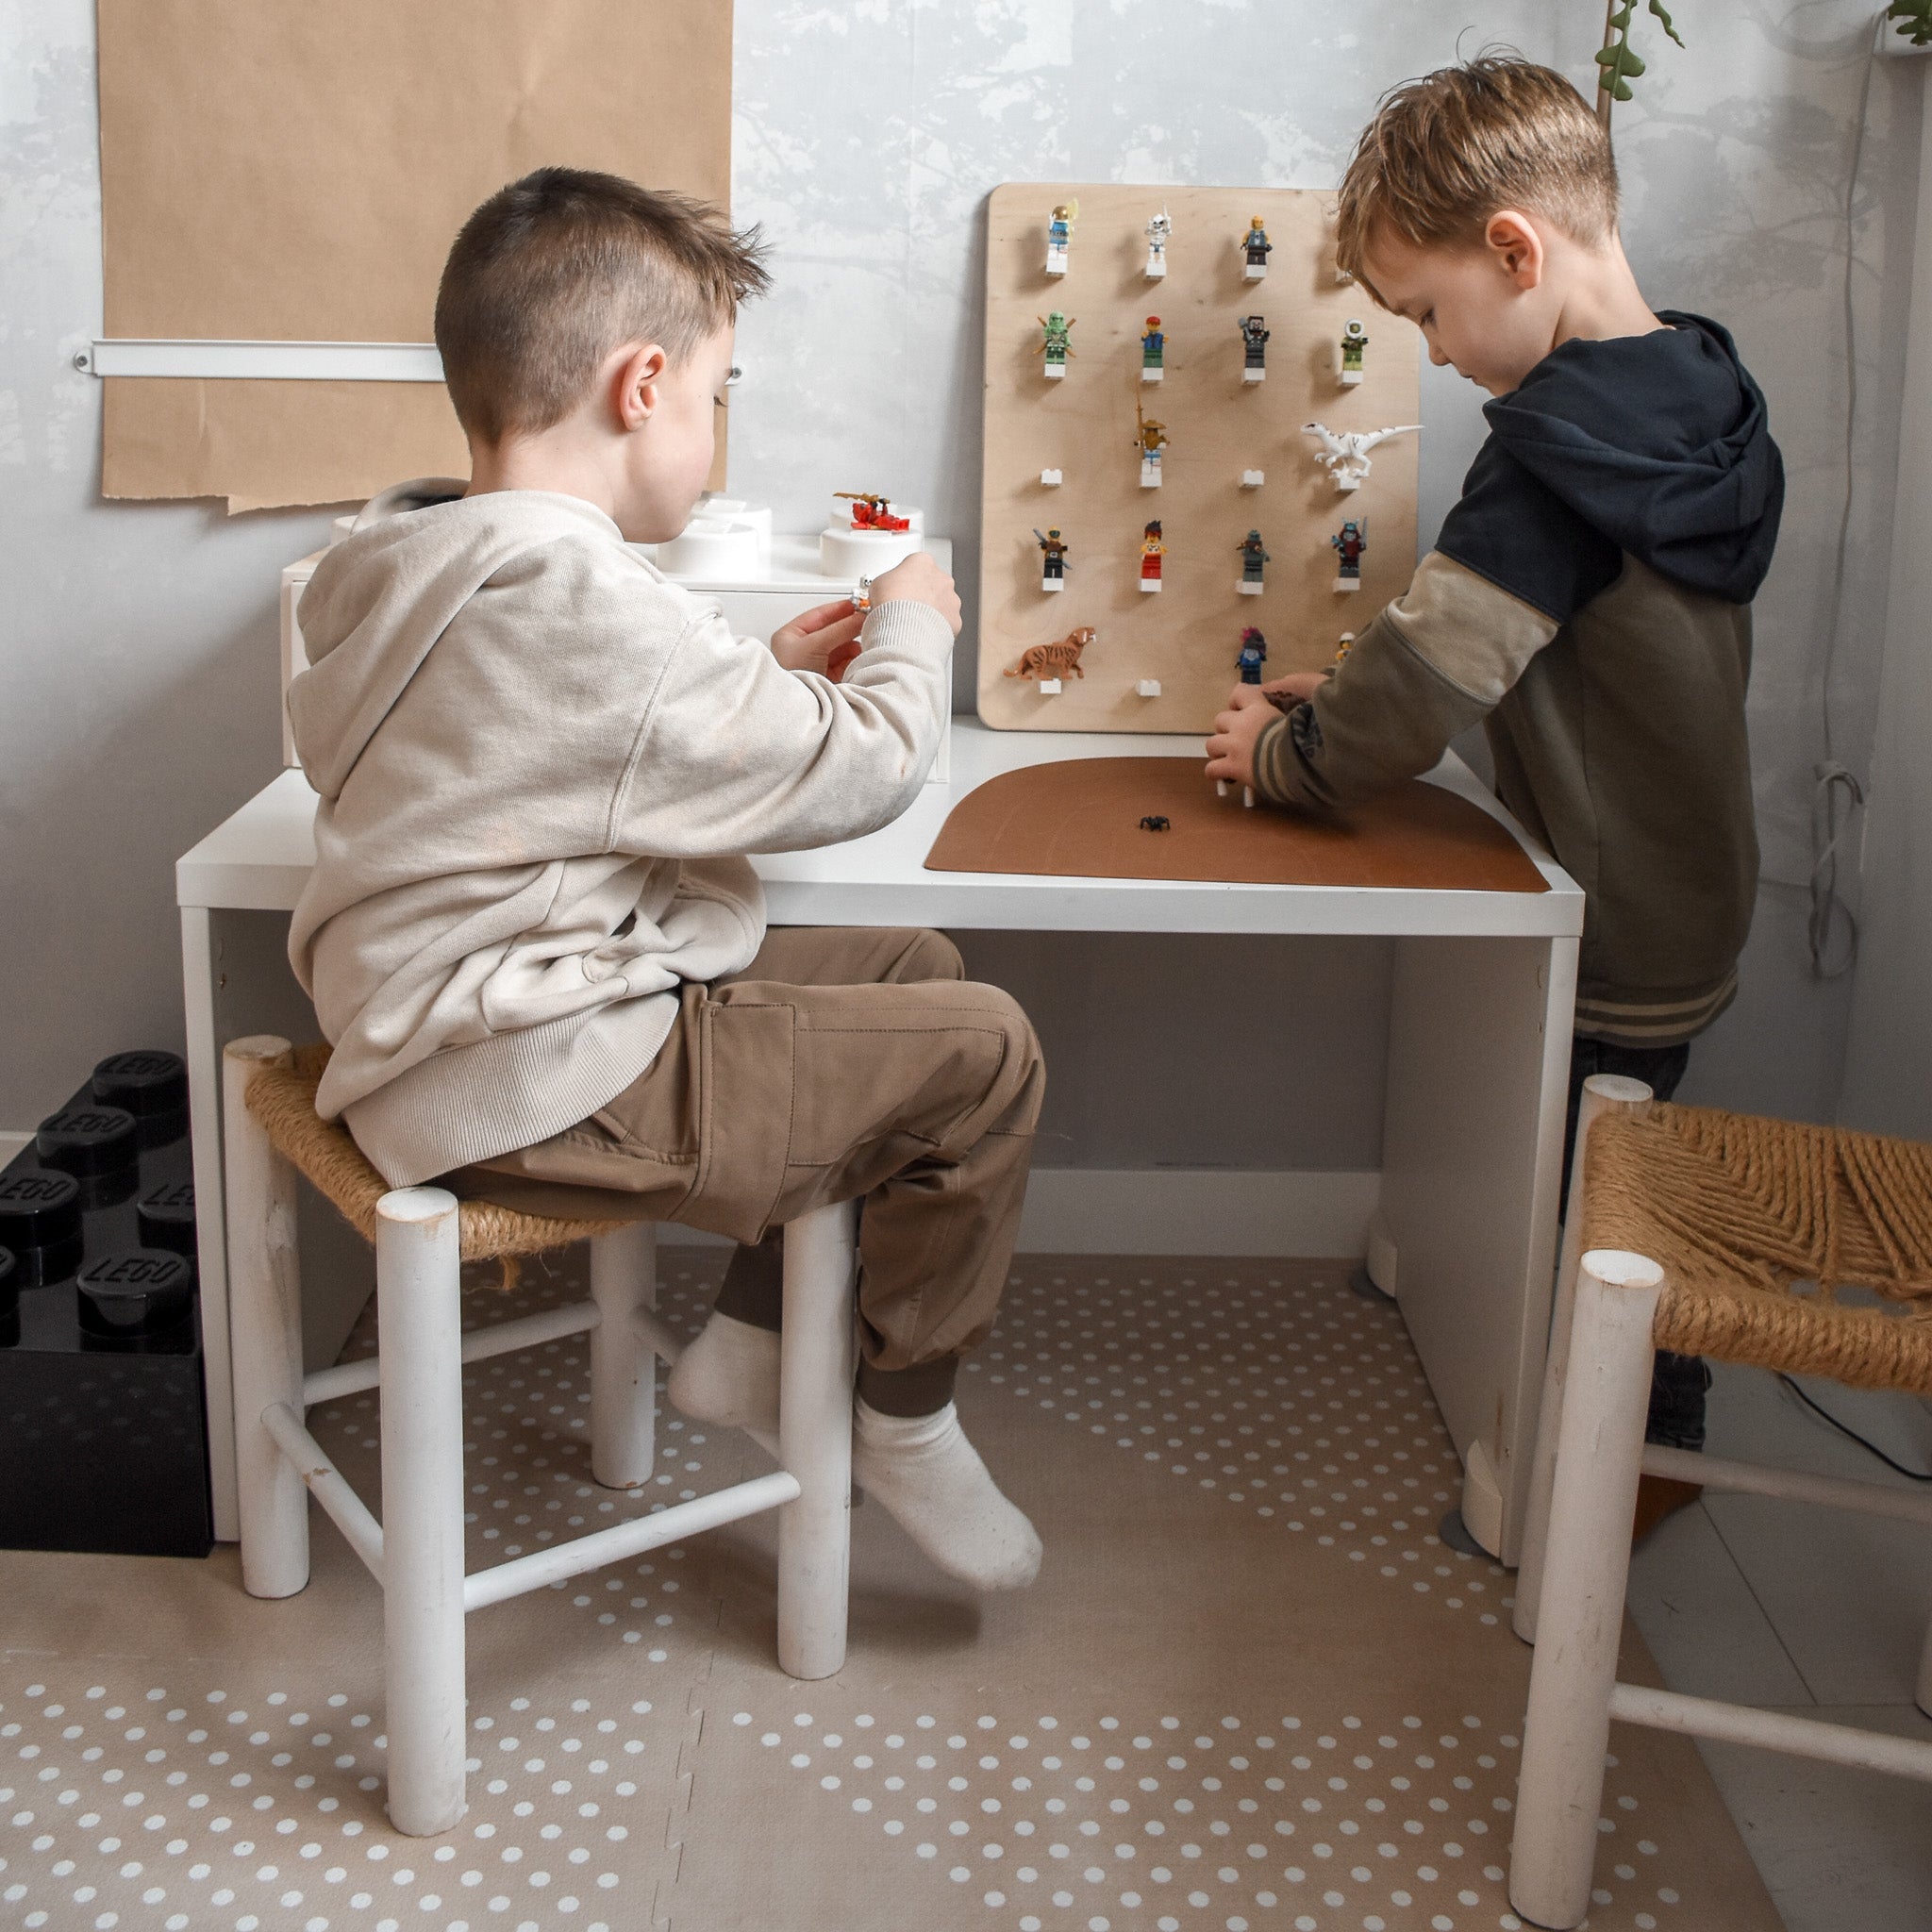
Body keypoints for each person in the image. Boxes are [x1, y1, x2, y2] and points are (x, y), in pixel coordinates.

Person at [285, 168, 1044, 1591]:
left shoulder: (418, 564)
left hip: (439, 1032)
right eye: (715, 394)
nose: (712, 429)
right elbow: (870, 765)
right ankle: (906, 1417)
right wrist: (911, 621)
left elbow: (560, 746)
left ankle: (749, 1341)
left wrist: (754, 675)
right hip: (531, 1075)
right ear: (643, 387)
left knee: (914, 967)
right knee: (989, 1050)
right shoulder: (587, 602)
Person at [1206, 58, 1783, 1501]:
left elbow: (1429, 687)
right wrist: (1354, 686)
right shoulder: (1699, 390)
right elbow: (1546, 653)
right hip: (1689, 894)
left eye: (1425, 313)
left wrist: (1282, 755)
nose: (1435, 354)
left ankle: (1615, 1472)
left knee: (1599, 1234)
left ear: (1515, 251)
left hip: (1610, 929)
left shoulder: (1553, 459)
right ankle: (1631, 1433)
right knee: (1636, 1191)